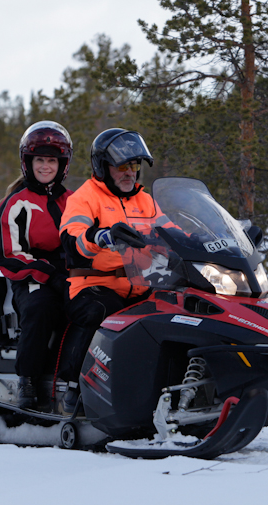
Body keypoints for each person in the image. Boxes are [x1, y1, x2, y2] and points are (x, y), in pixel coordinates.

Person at [57, 128, 165, 407]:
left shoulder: (145, 201)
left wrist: (210, 239)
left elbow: (173, 232)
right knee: (102, 313)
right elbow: (72, 238)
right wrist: (99, 236)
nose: (130, 173)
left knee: (172, 314)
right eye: (122, 166)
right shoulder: (85, 197)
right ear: (103, 167)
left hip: (140, 284)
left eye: (134, 166)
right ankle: (72, 385)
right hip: (93, 284)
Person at [0, 120, 73, 409]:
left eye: (51, 160)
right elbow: (8, 254)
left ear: (62, 164)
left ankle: (77, 378)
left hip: (71, 274)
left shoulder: (73, 201)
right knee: (41, 308)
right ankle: (27, 379)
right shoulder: (16, 203)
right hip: (30, 276)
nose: (45, 166)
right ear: (28, 162)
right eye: (39, 159)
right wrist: (49, 274)